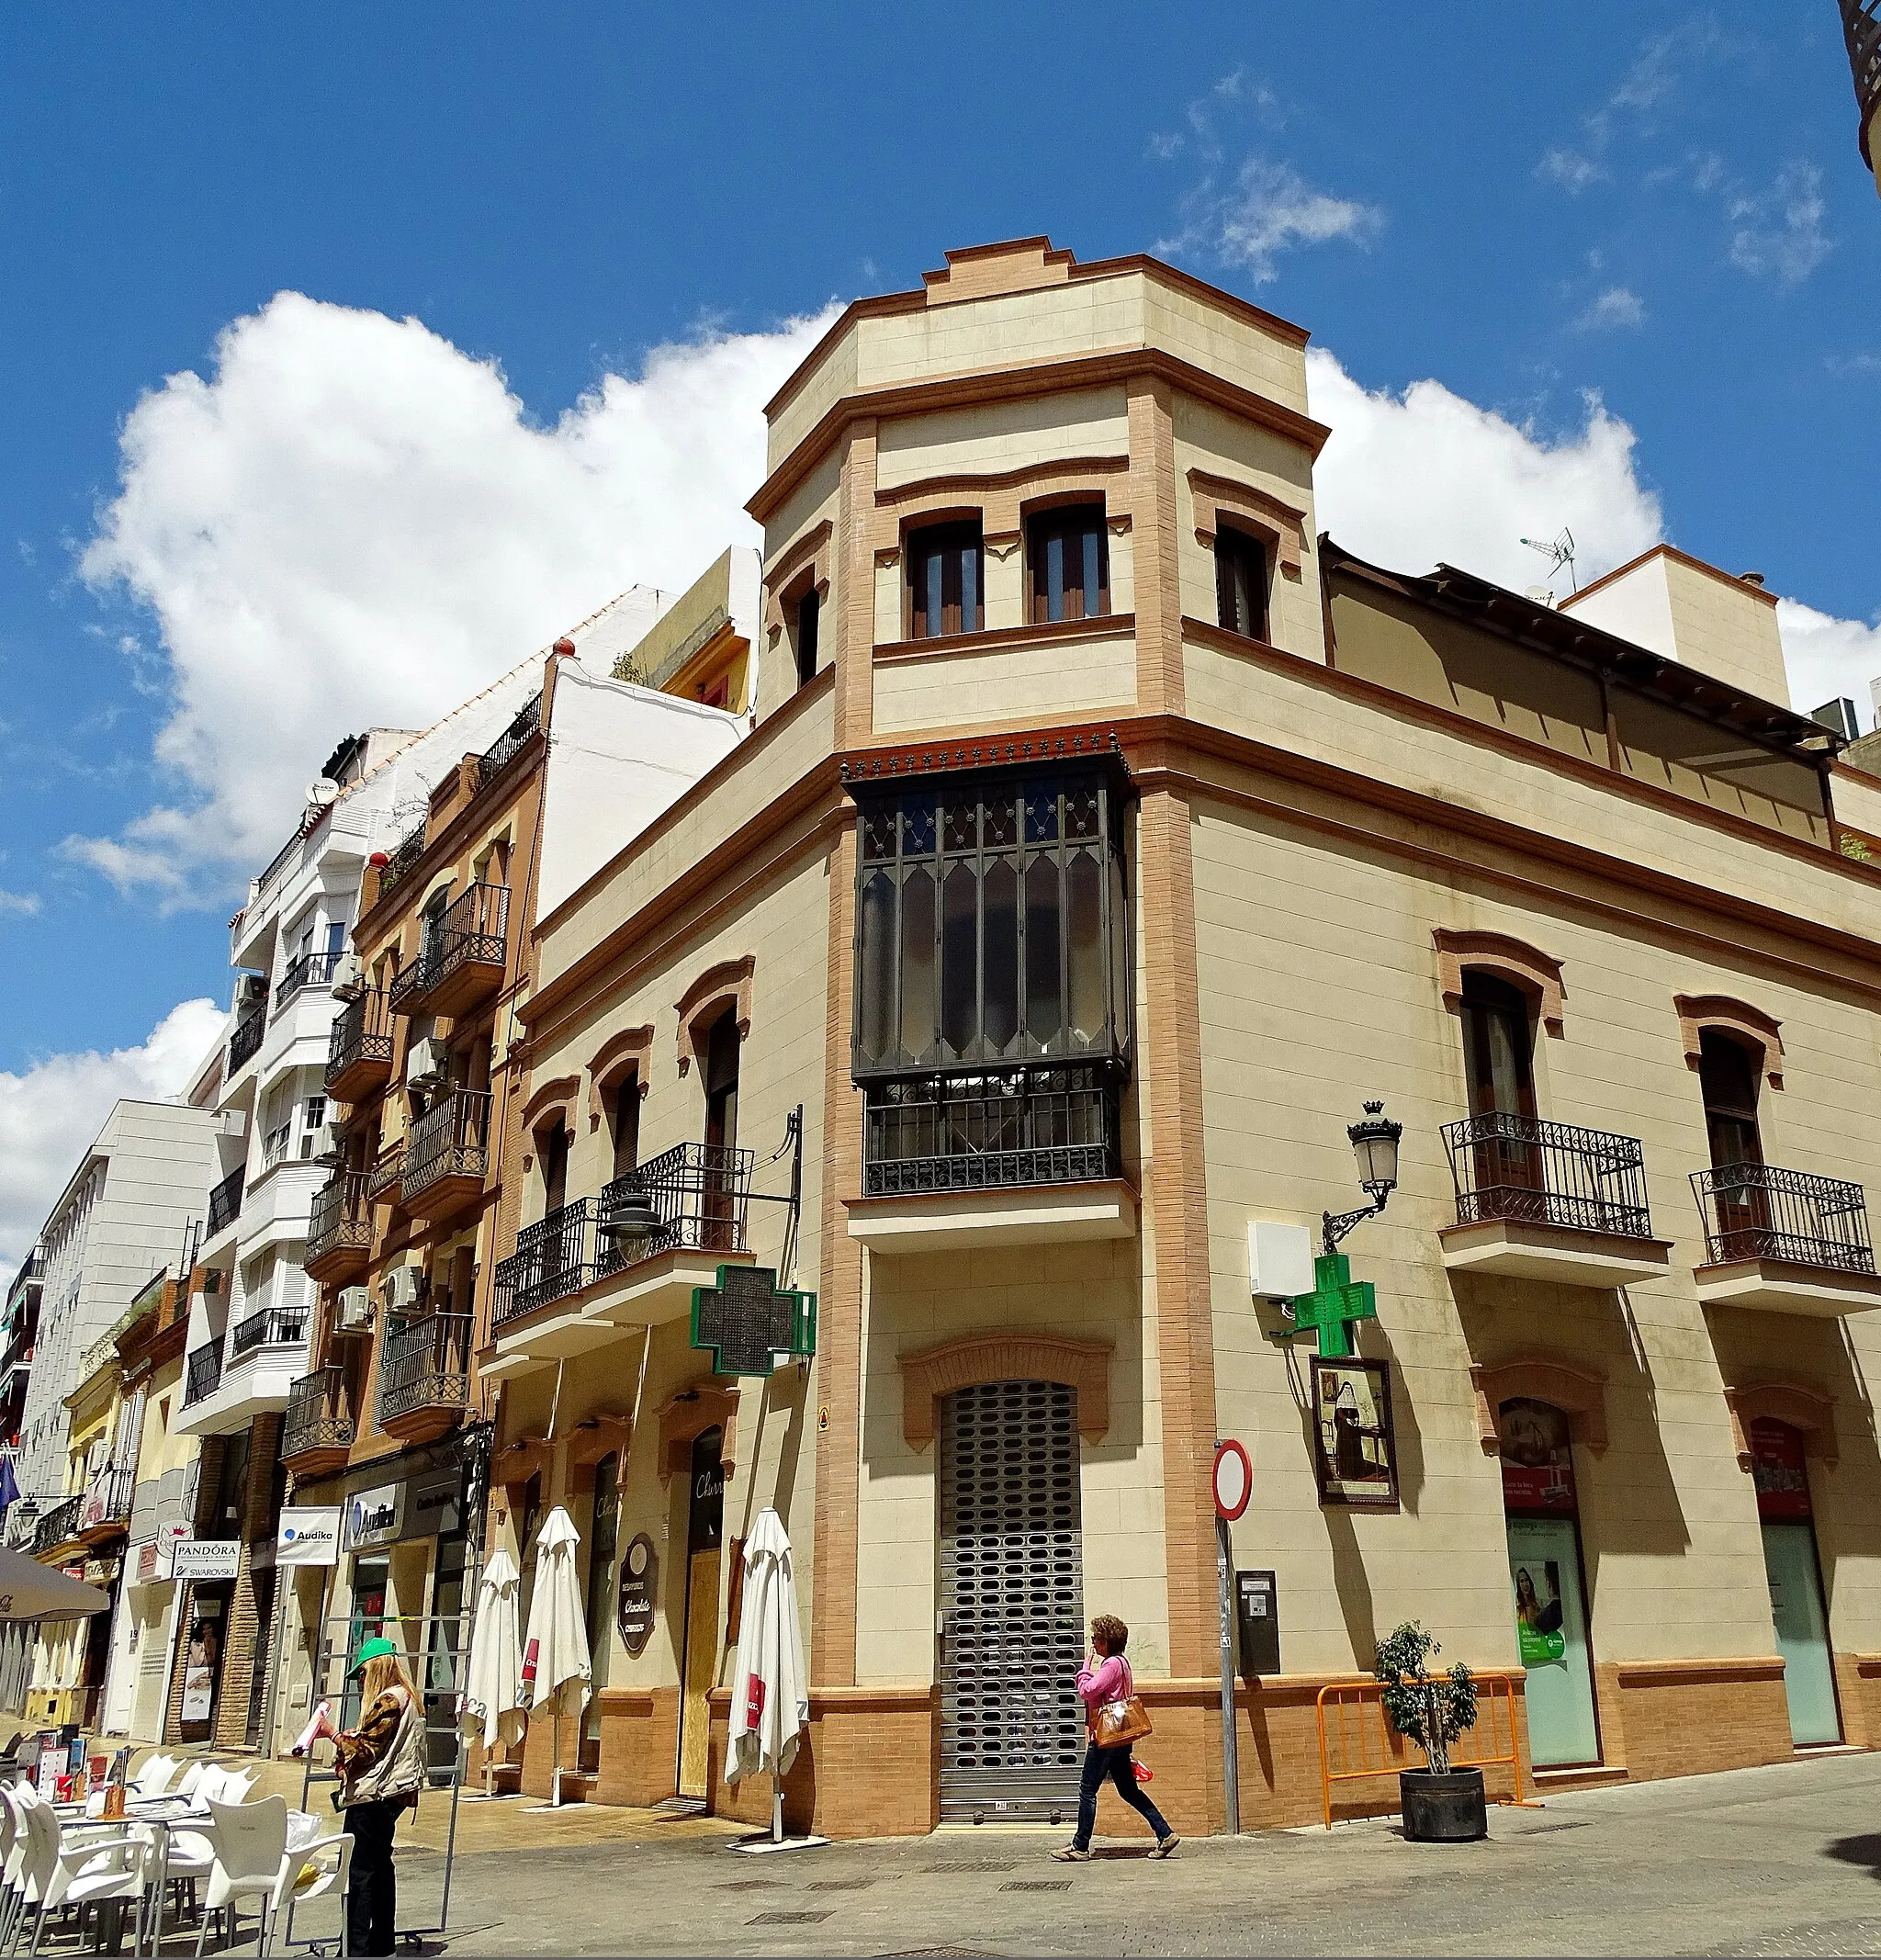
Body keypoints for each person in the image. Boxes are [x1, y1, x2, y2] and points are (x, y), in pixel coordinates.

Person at [306, 1635, 426, 1957]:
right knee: (381, 1868)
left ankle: (356, 1949)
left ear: (375, 1668)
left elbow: (368, 1751)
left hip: (374, 1797)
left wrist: (332, 1734)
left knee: (360, 1874)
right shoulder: (410, 1698)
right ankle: (381, 1943)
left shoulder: (389, 1700)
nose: (359, 1681)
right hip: (394, 1795)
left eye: (361, 1673)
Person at [1053, 1613, 1178, 1862]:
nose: (1093, 1643)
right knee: (1128, 1790)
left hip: (1107, 1737)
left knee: (1087, 1789)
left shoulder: (1111, 1665)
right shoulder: (1123, 1663)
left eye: (1096, 1638)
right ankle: (1165, 1833)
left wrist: (1085, 1669)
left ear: (1106, 1642)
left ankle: (1080, 1846)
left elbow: (1087, 1691)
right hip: (1122, 1737)